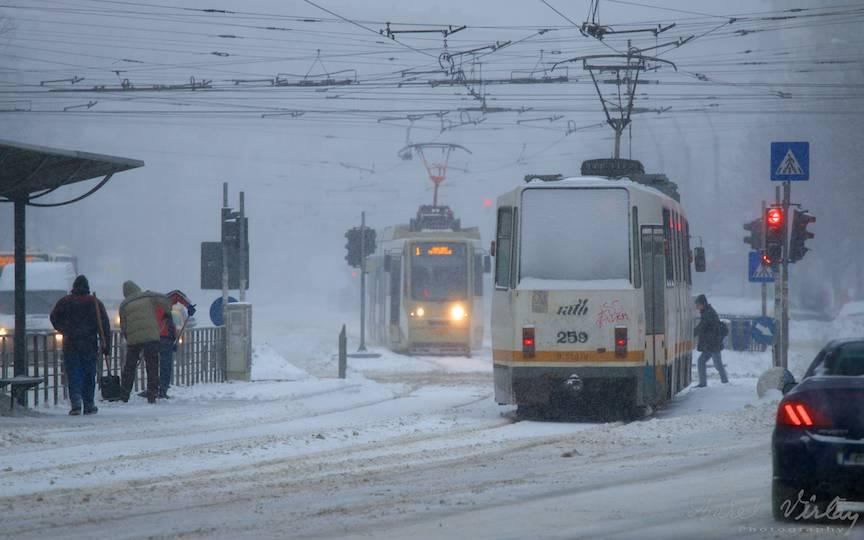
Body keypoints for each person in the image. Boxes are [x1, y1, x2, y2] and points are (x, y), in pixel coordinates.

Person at [50, 275, 111, 416]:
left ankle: (76, 402)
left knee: (74, 373)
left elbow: (54, 317)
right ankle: (89, 403)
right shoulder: (94, 302)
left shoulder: (65, 301)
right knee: (89, 373)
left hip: (70, 343)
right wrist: (106, 344)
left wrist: (64, 329)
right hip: (89, 343)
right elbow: (104, 325)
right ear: (87, 287)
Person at [119, 280, 172, 403]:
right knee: (152, 366)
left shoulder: (124, 305)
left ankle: (124, 394)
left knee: (130, 367)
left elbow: (123, 325)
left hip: (134, 340)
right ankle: (152, 395)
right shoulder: (147, 296)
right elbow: (165, 299)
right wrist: (167, 312)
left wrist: (128, 338)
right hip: (151, 337)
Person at [694, 294, 729, 387]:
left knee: (717, 364)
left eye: (698, 304)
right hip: (710, 344)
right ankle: (703, 383)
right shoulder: (707, 311)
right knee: (701, 361)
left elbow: (702, 326)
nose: (697, 307)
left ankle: (725, 382)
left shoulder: (708, 313)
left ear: (703, 303)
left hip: (713, 344)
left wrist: (693, 332)